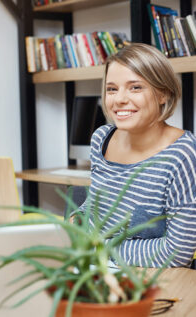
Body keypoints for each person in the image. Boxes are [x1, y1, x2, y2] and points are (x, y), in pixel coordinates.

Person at [77, 43, 196, 268]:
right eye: (112, 89)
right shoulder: (101, 138)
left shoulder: (183, 155)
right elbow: (95, 209)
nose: (119, 99)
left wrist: (100, 248)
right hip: (94, 266)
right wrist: (75, 221)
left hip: (150, 278)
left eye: (135, 87)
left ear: (163, 93)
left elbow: (177, 252)